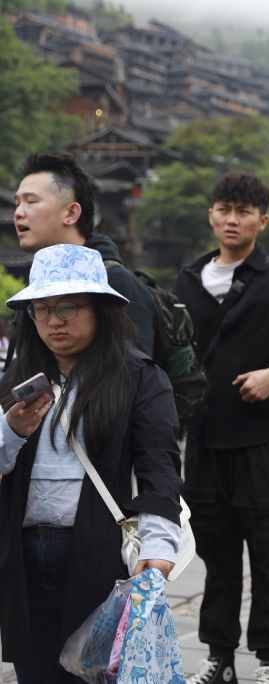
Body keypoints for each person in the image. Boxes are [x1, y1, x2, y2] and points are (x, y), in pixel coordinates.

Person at [0, 244, 182, 682]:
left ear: (99, 308)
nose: (54, 321)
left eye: (68, 307)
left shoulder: (138, 376)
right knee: (35, 669)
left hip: (95, 551)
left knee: (90, 670)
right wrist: (12, 431)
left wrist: (158, 548)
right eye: (40, 310)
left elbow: (159, 465)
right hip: (22, 553)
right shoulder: (16, 379)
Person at [176, 172, 269, 684]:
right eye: (224, 209)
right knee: (217, 556)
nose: (233, 219)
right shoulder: (188, 279)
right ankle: (219, 657)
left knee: (268, 555)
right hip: (205, 441)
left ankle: (268, 658)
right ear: (211, 215)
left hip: (265, 439)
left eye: (244, 211)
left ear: (262, 220)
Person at [13, 153, 157, 355]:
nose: (18, 212)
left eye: (31, 201)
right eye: (17, 203)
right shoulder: (36, 286)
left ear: (71, 213)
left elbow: (137, 377)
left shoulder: (114, 283)